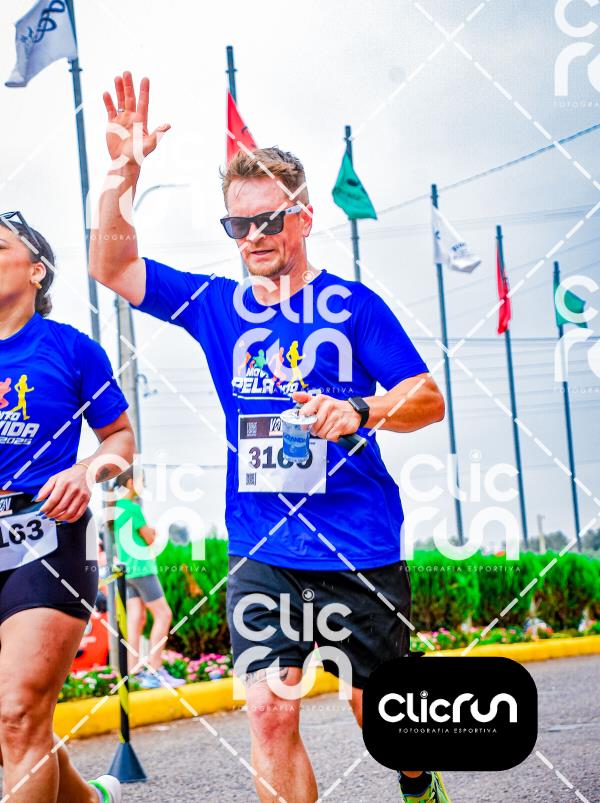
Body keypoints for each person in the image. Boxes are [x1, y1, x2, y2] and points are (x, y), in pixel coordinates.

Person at [90, 72, 450, 803]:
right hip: (262, 546)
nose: (252, 237)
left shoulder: (354, 307)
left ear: (303, 218)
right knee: (268, 710)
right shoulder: (214, 305)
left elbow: (428, 399)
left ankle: (418, 780)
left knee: (381, 716)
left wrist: (361, 410)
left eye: (267, 221)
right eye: (238, 225)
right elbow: (113, 266)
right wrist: (123, 173)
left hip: (357, 543)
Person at [0, 211, 135, 803]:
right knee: (13, 725)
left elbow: (120, 438)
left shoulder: (72, 350)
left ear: (37, 271)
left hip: (47, 538)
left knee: (17, 714)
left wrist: (85, 471)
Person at [112, 466, 184, 688]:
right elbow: (149, 538)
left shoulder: (117, 508)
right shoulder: (133, 509)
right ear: (130, 483)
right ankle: (156, 669)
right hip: (142, 569)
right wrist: (153, 533)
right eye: (142, 481)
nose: (144, 485)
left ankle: (134, 672)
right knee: (164, 615)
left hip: (128, 572)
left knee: (136, 620)